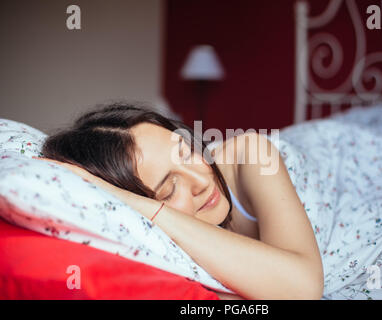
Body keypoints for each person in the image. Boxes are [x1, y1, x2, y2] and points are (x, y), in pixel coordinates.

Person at [38, 102, 324, 300]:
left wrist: (149, 205)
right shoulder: (148, 242)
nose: (201, 179)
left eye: (185, 152)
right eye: (169, 189)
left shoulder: (251, 154)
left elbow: (302, 287)